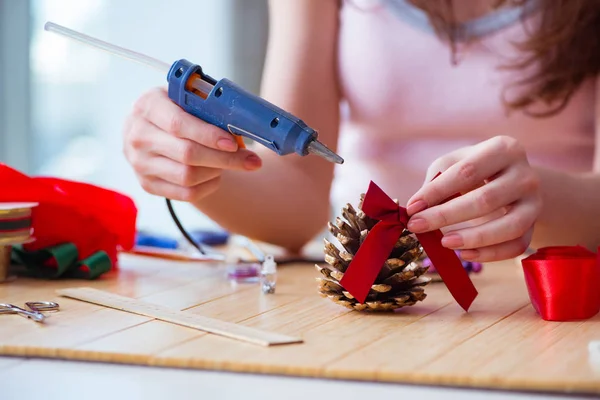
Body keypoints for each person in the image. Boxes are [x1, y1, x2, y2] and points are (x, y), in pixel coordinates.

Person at [122, 0, 600, 262]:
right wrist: (201, 161)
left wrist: (539, 201)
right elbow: (298, 202)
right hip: (378, 299)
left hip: (558, 294)